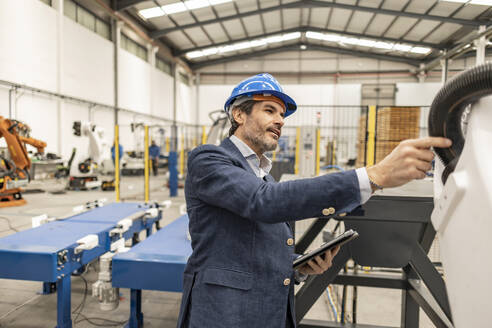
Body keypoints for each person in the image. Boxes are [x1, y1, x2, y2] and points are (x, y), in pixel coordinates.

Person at [177, 73, 451, 328]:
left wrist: (298, 265)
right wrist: (372, 175)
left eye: (282, 115)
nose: (281, 121)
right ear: (238, 114)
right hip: (224, 315)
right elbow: (263, 203)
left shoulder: (265, 179)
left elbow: (253, 244)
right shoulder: (209, 160)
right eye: (269, 110)